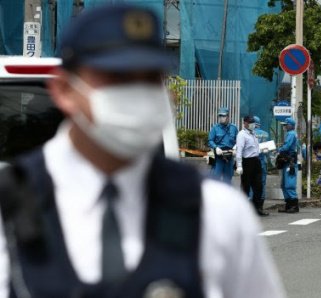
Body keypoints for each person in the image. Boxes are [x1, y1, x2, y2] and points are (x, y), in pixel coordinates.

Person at [0, 5, 285, 297]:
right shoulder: (8, 207)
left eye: (149, 78)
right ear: (64, 90)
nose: (136, 92)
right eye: (116, 77)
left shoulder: (216, 210)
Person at [236, 115, 268, 217]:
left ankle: (257, 208)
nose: (252, 124)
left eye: (253, 122)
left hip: (256, 161)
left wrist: (262, 150)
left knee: (258, 186)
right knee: (246, 187)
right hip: (247, 162)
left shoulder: (253, 133)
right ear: (244, 123)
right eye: (250, 123)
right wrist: (239, 165)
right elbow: (239, 151)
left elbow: (255, 148)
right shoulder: (242, 135)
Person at [208, 107, 238, 183]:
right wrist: (216, 147)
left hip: (230, 157)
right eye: (220, 116)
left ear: (228, 117)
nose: (221, 118)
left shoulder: (234, 128)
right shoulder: (215, 128)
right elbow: (210, 140)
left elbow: (238, 141)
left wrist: (236, 148)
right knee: (216, 179)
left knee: (228, 179)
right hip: (219, 157)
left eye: (223, 116)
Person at [277, 118, 299, 213]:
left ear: (291, 125)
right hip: (288, 161)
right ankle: (289, 205)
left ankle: (293, 205)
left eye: (286, 125)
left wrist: (278, 150)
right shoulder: (291, 134)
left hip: (291, 162)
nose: (285, 126)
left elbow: (287, 146)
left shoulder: (291, 134)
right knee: (284, 184)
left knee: (289, 184)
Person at [252, 116, 270, 201]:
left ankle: (251, 200)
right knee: (262, 182)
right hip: (263, 161)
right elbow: (268, 149)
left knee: (252, 181)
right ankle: (261, 201)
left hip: (251, 160)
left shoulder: (249, 133)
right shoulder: (265, 134)